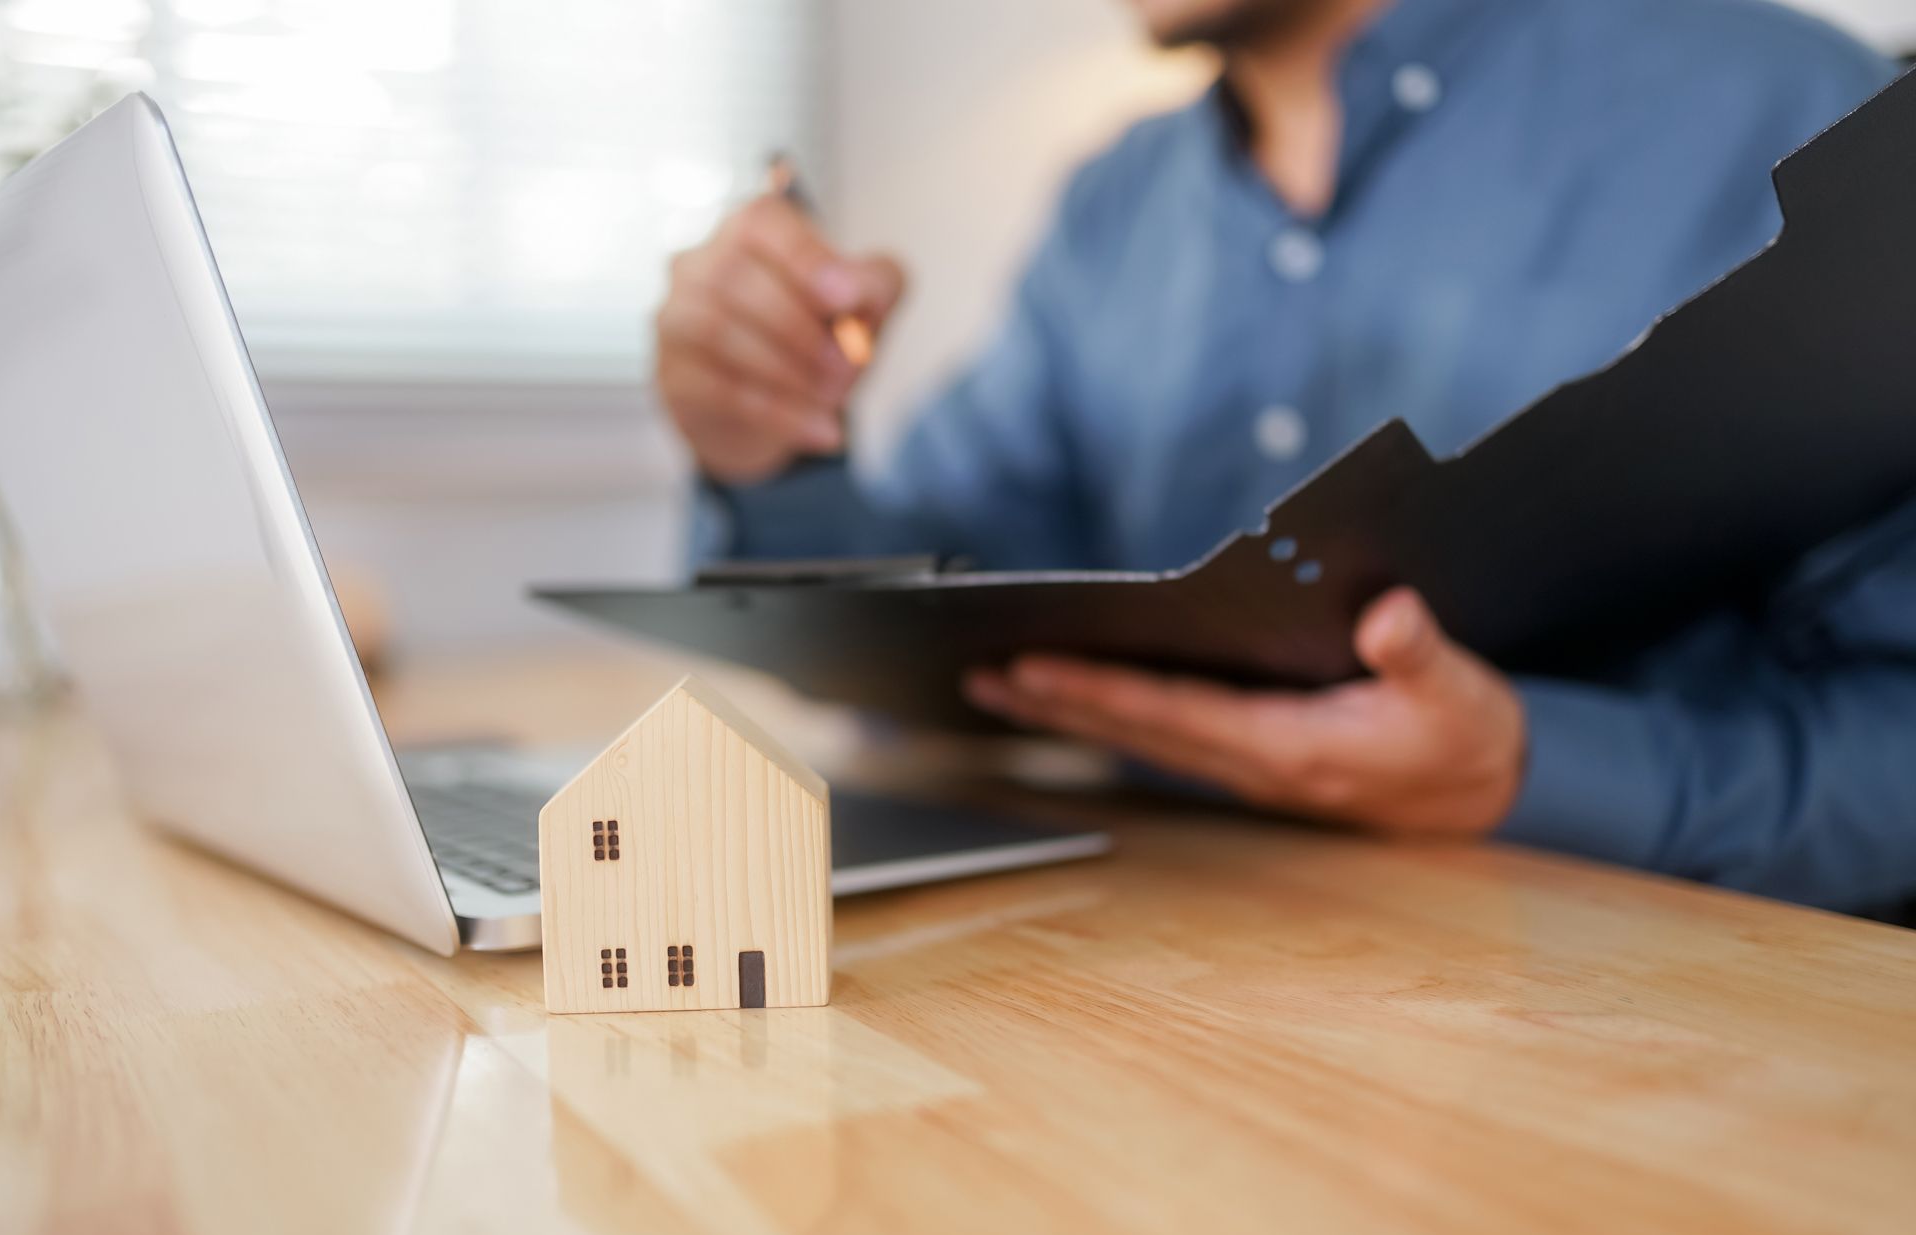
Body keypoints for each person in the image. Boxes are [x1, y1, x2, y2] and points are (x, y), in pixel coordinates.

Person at [655, 0, 1916, 917]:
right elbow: (927, 640)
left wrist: (1537, 771)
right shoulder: (1113, 209)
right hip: (1184, 1039)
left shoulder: (1786, 108)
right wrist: (768, 456)